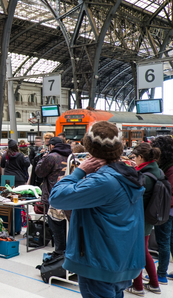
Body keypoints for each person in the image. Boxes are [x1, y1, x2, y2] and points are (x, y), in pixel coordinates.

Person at [50, 121, 145, 297]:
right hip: (122, 260)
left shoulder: (103, 182)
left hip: (99, 264)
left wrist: (79, 172)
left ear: (92, 151)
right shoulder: (129, 176)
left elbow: (56, 198)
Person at [125, 143, 162, 295]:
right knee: (144, 251)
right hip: (150, 217)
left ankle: (138, 286)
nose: (134, 160)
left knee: (138, 252)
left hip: (140, 219)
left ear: (141, 157)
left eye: (134, 157)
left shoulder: (145, 177)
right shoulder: (156, 170)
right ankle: (153, 283)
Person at [150, 136, 173, 284]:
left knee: (163, 242)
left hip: (166, 209)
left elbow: (162, 190)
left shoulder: (170, 169)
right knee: (171, 239)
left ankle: (161, 275)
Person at [34, 137, 72, 256]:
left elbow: (39, 172)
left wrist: (42, 158)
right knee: (68, 228)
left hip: (54, 197)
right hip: (70, 197)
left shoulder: (51, 157)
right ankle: (67, 254)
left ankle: (59, 256)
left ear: (51, 146)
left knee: (56, 228)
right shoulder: (72, 156)